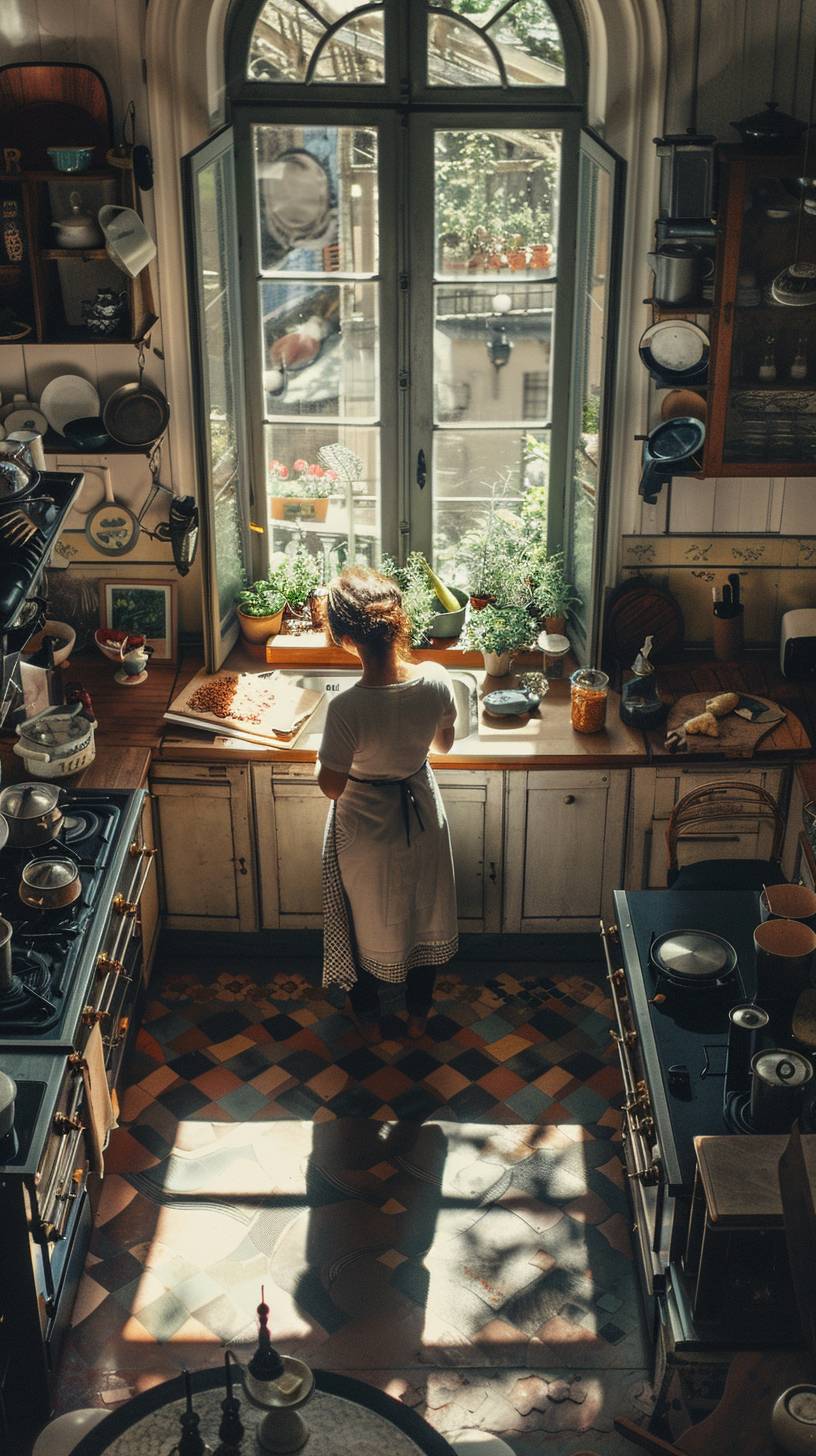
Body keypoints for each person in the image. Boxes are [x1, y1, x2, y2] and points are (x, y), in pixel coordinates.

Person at [316, 566, 458, 1042]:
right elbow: (444, 746)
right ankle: (418, 1018)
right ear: (398, 622)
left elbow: (332, 787)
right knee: (423, 913)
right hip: (421, 814)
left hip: (365, 826)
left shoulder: (346, 708)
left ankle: (371, 1019)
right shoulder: (436, 680)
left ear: (342, 636)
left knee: (360, 917)